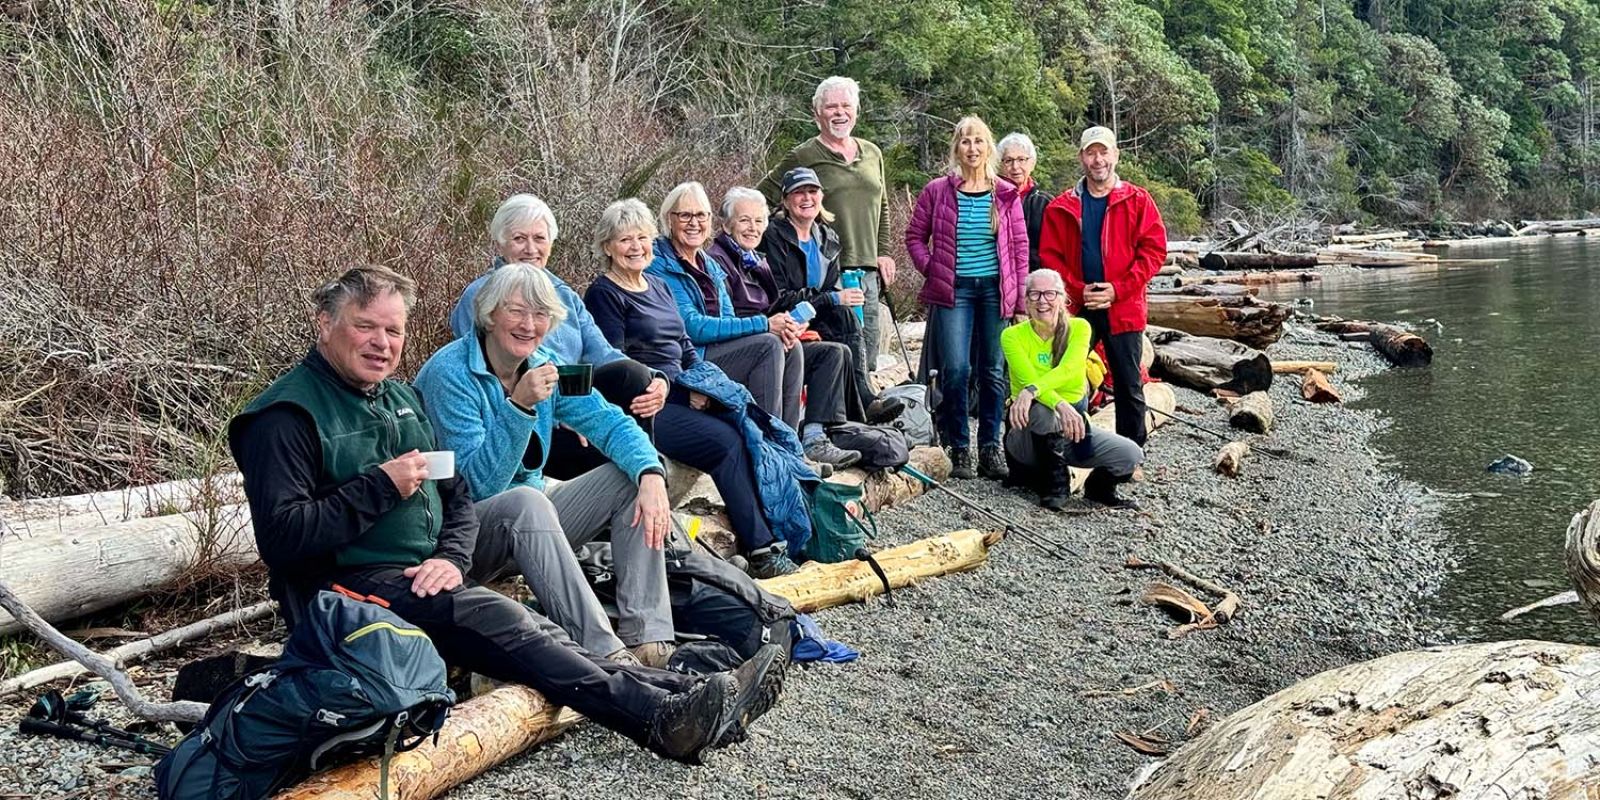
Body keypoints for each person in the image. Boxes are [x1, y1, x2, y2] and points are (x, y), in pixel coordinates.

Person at [228, 265, 784, 764]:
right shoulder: (285, 416)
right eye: (365, 326)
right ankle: (659, 714)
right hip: (348, 589)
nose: (382, 343)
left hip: (430, 570)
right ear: (324, 322)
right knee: (515, 624)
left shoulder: (398, 398)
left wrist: (451, 556)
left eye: (394, 331)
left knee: (531, 622)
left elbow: (458, 496)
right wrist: (382, 485)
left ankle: (671, 688)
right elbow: (282, 540)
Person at [416, 263, 679, 667]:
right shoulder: (449, 374)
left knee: (629, 476)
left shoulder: (547, 363)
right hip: (463, 539)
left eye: (540, 315)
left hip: (533, 521)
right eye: (516, 311)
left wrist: (650, 473)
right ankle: (604, 652)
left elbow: (608, 421)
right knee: (526, 499)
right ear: (489, 315)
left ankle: (649, 639)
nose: (529, 325)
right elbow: (475, 487)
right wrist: (519, 407)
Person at [585, 199, 813, 579]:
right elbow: (614, 366)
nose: (637, 246)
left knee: (752, 428)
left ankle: (788, 532)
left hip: (681, 389)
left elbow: (684, 345)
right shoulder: (604, 294)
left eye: (642, 237)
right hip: (643, 406)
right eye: (625, 239)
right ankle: (761, 549)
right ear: (607, 246)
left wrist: (705, 382)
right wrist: (676, 391)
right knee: (724, 442)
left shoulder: (656, 284)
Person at [449, 193, 669, 480]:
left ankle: (644, 477)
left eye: (539, 239)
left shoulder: (564, 294)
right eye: (519, 239)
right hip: (524, 420)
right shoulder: (481, 296)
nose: (531, 249)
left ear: (551, 244)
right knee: (632, 463)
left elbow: (602, 354)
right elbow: (489, 379)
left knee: (634, 377)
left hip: (572, 400)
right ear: (500, 244)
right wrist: (556, 415)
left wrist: (657, 380)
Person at [905, 115, 1030, 480]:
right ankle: (958, 447)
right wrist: (933, 268)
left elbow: (1020, 248)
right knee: (956, 369)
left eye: (978, 141)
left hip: (995, 289)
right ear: (956, 149)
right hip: (953, 290)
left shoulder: (1005, 193)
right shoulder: (937, 191)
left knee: (993, 370)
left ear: (988, 147)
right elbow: (914, 237)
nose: (972, 148)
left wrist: (1019, 298)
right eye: (965, 141)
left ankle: (990, 447)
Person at [705, 185, 863, 468]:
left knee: (830, 352)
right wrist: (769, 327)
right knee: (774, 345)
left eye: (758, 221)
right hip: (733, 350)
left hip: (763, 336)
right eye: (744, 220)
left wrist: (790, 326)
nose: (752, 228)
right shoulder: (718, 261)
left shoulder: (755, 261)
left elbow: (775, 306)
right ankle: (771, 446)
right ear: (727, 225)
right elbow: (722, 322)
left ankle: (803, 441)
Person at [1039, 126, 1167, 447]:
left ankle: (1130, 454)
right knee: (1060, 374)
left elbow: (1153, 251)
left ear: (1115, 155)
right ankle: (1060, 447)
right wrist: (1078, 290)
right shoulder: (1060, 206)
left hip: (1123, 307)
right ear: (1082, 157)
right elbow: (1050, 257)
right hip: (1077, 306)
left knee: (1128, 382)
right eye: (1091, 152)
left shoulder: (1138, 201)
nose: (1098, 160)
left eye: (1104, 151)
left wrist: (1118, 289)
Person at [758, 75, 895, 374]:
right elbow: (760, 198)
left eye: (846, 105)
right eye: (831, 106)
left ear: (857, 111)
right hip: (827, 272)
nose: (839, 113)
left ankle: (863, 414)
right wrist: (779, 239)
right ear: (816, 113)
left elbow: (882, 204)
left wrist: (883, 251)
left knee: (866, 354)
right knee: (840, 354)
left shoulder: (873, 153)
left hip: (867, 270)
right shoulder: (803, 155)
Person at [646, 181, 804, 429]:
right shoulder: (659, 264)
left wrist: (776, 328)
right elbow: (691, 327)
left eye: (700, 215)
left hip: (717, 351)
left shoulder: (709, 264)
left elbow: (728, 317)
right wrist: (764, 324)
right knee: (768, 344)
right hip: (691, 358)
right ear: (669, 219)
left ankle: (789, 443)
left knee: (790, 346)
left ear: (709, 220)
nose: (694, 223)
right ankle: (767, 442)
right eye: (685, 215)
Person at [757, 169, 901, 428]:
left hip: (816, 316)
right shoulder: (773, 236)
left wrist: (834, 300)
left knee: (845, 320)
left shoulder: (828, 237)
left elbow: (830, 292)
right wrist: (832, 299)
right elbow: (779, 296)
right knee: (839, 323)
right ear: (786, 200)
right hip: (784, 316)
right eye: (799, 192)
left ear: (821, 197)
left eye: (812, 191)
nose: (806, 198)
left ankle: (863, 402)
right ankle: (860, 408)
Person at [1001, 270, 1142, 510]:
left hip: (1073, 429)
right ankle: (1056, 484)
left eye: (1049, 294)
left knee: (1131, 455)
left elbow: (1069, 368)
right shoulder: (1011, 336)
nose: (1042, 301)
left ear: (1063, 298)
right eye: (1034, 294)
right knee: (1044, 412)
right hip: (1027, 436)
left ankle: (1099, 488)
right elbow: (1027, 376)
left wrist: (1032, 390)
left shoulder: (1080, 328)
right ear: (1025, 300)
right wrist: (1061, 405)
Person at [997, 132, 1054, 272]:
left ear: (1032, 163)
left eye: (1021, 159)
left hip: (1034, 280)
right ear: (1000, 165)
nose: (1015, 167)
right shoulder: (990, 200)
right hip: (997, 280)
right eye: (1008, 160)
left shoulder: (1045, 202)